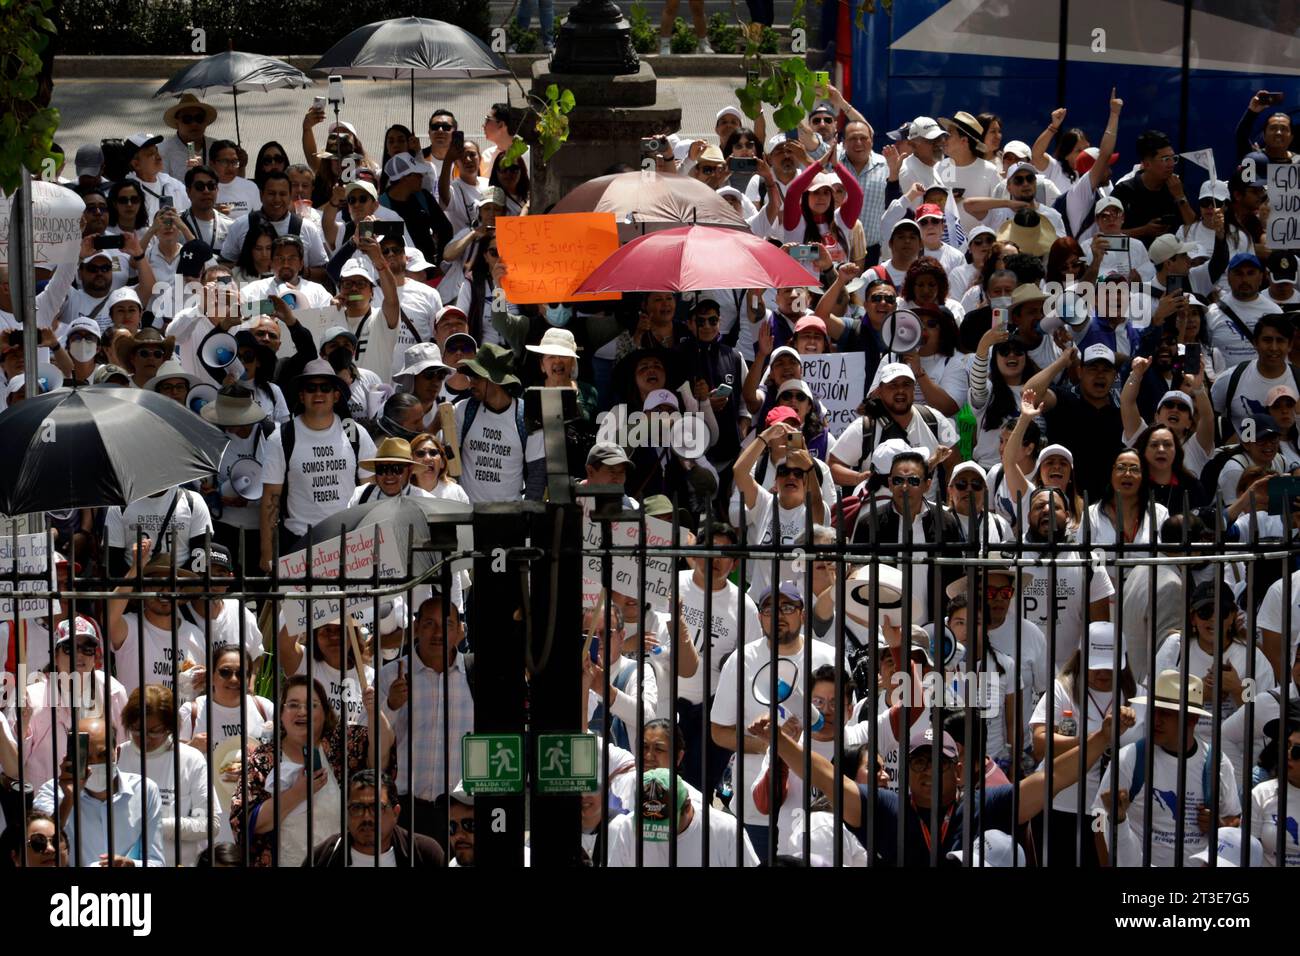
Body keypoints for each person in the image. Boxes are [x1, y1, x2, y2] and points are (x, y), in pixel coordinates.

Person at [768, 709, 1130, 866]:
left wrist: (1101, 738)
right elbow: (828, 778)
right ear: (907, 772)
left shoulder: (987, 803)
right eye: (919, 762)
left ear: (958, 771)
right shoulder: (887, 807)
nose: (927, 771)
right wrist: (780, 743)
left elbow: (1050, 778)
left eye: (938, 763)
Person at [710, 581, 835, 861]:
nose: (778, 615)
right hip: (756, 810)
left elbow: (844, 727)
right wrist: (769, 744)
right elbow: (719, 732)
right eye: (768, 609)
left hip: (817, 809)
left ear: (803, 613)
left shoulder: (829, 657)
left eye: (787, 607)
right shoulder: (741, 660)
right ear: (759, 617)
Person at [229, 675, 393, 867]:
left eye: (312, 705)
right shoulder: (262, 759)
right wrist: (298, 792)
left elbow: (382, 753)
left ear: (325, 713)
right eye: (293, 705)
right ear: (281, 714)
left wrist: (373, 712)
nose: (302, 712)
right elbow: (246, 822)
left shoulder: (343, 747)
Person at [1093, 670, 1242, 866]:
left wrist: (1219, 826)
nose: (1156, 720)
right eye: (1153, 711)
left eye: (1166, 713)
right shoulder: (1129, 759)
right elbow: (1099, 822)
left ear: (1193, 719)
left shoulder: (1218, 763)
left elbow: (1233, 821)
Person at [1029, 623, 1146, 865]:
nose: (1102, 673)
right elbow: (1039, 744)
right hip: (1061, 808)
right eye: (1095, 666)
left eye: (1109, 666)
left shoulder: (1139, 698)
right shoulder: (1063, 690)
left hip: (1111, 812)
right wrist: (1097, 738)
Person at [259, 358, 378, 569]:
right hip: (299, 543)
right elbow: (271, 497)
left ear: (336, 395)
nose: (319, 393)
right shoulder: (282, 437)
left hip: (348, 543)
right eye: (311, 388)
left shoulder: (355, 434)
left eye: (325, 387)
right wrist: (267, 554)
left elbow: (370, 493)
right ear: (301, 395)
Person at [378, 590, 473, 847]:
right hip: (405, 810)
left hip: (460, 814)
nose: (438, 632)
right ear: (416, 627)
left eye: (447, 625)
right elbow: (367, 742)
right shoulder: (390, 675)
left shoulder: (475, 675)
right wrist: (390, 706)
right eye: (429, 623)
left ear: (461, 632)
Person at [32, 716, 166, 867]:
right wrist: (69, 799)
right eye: (86, 758)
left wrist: (131, 865)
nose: (95, 763)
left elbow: (157, 862)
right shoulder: (52, 792)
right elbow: (41, 847)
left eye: (103, 755)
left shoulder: (145, 790)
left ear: (118, 753)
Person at [1154, 582, 1276, 742]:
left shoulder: (1252, 657)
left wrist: (1238, 690)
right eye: (1205, 612)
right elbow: (1152, 701)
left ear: (1233, 616)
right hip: (1185, 750)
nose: (1213, 619)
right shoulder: (1176, 648)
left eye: (1222, 612)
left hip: (1237, 755)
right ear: (1193, 618)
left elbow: (1266, 718)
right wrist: (1197, 694)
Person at [117, 684, 221, 867]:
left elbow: (210, 824)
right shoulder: (117, 757)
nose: (145, 738)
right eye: (137, 729)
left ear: (170, 726)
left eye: (155, 731)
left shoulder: (190, 759)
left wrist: (156, 825)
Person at [607, 767, 757, 866]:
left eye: (664, 824)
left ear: (687, 806)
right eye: (647, 821)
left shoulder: (725, 830)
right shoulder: (628, 828)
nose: (654, 831)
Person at [307, 770, 445, 867]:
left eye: (377, 808)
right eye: (357, 808)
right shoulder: (323, 858)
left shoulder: (424, 854)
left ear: (396, 813)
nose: (367, 817)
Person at [452, 343, 527, 503]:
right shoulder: (463, 410)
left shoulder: (524, 415)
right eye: (470, 377)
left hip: (511, 517)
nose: (470, 383)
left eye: (476, 377)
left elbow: (536, 471)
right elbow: (450, 464)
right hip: (469, 515)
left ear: (496, 381)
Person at [178, 643, 274, 756]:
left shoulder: (264, 708)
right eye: (225, 672)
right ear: (211, 676)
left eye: (241, 673)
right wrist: (191, 746)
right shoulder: (191, 712)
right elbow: (171, 760)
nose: (233, 679)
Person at [1109, 129, 1196, 246]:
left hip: (1170, 260)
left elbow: (1195, 231)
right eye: (1165, 159)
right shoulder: (1124, 191)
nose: (1171, 165)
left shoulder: (1176, 187)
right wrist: (1144, 231)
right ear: (1147, 164)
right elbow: (1109, 240)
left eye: (1173, 158)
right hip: (1133, 260)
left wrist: (1180, 197)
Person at [1249, 706, 1300, 866]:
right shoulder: (1261, 794)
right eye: (1285, 745)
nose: (1288, 754)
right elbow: (1248, 852)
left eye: (1297, 750)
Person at [348, 438, 433, 505]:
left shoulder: (427, 502)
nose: (389, 475)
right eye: (382, 468)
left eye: (396, 468)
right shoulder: (360, 496)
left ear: (410, 470)